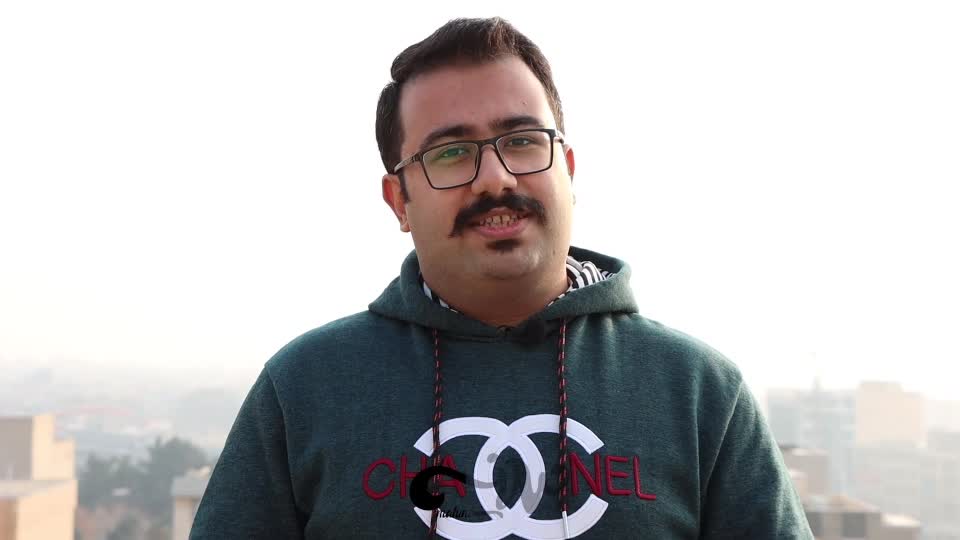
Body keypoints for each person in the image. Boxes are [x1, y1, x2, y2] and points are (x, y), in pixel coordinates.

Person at [190, 17, 813, 539]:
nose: (496, 179)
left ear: (567, 168)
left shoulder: (700, 391)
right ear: (399, 200)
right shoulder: (304, 387)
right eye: (450, 153)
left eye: (521, 141)